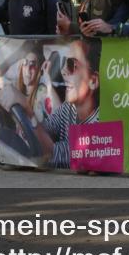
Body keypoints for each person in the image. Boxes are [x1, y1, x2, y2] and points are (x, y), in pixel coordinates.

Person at [16, 38, 101, 169]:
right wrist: (26, 128)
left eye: (72, 65)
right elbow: (46, 128)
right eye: (64, 65)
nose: (63, 71)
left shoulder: (101, 122)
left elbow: (53, 154)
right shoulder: (69, 108)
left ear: (93, 81)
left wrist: (28, 113)